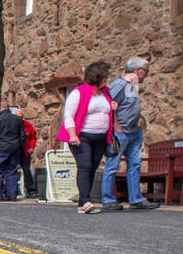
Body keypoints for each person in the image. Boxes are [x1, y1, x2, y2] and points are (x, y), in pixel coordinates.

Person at [101, 56, 160, 211]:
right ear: (136, 71)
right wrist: (117, 126)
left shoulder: (131, 85)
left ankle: (136, 199)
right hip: (122, 133)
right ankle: (108, 200)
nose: (146, 75)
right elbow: (108, 105)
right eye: (145, 72)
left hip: (133, 132)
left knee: (135, 165)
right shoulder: (119, 85)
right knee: (112, 165)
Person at [55, 61, 114, 214]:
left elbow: (108, 114)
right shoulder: (78, 92)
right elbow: (68, 116)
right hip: (83, 137)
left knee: (93, 168)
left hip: (100, 137)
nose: (107, 79)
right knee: (85, 167)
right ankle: (85, 201)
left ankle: (83, 203)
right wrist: (73, 135)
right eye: (105, 76)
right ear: (97, 76)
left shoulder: (106, 93)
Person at [0, 104, 24, 201]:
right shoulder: (17, 119)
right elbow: (22, 136)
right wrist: (19, 147)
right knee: (12, 172)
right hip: (15, 148)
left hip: (1, 148)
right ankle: (12, 196)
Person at [12, 106, 40, 198]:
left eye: (20, 117)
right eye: (17, 117)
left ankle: (31, 191)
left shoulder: (27, 125)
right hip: (14, 152)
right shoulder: (11, 125)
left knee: (27, 171)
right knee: (12, 171)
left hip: (25, 152)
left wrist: (31, 147)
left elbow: (33, 137)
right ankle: (11, 190)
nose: (19, 119)